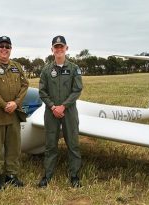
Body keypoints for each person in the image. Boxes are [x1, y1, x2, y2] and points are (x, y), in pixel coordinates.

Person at [0, 36, 29, 190]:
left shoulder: (16, 66)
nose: (4, 49)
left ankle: (11, 175)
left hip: (14, 114)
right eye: (1, 46)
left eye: (7, 46)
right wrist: (4, 105)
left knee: (13, 147)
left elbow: (25, 85)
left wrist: (15, 103)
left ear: (10, 49)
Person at [38, 35, 83, 188]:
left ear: (66, 48)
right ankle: (47, 175)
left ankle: (75, 175)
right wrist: (52, 107)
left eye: (61, 47)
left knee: (73, 144)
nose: (59, 49)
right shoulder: (46, 69)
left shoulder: (74, 68)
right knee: (50, 145)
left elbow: (77, 90)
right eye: (56, 47)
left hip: (69, 111)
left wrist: (63, 106)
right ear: (52, 50)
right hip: (51, 112)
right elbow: (42, 92)